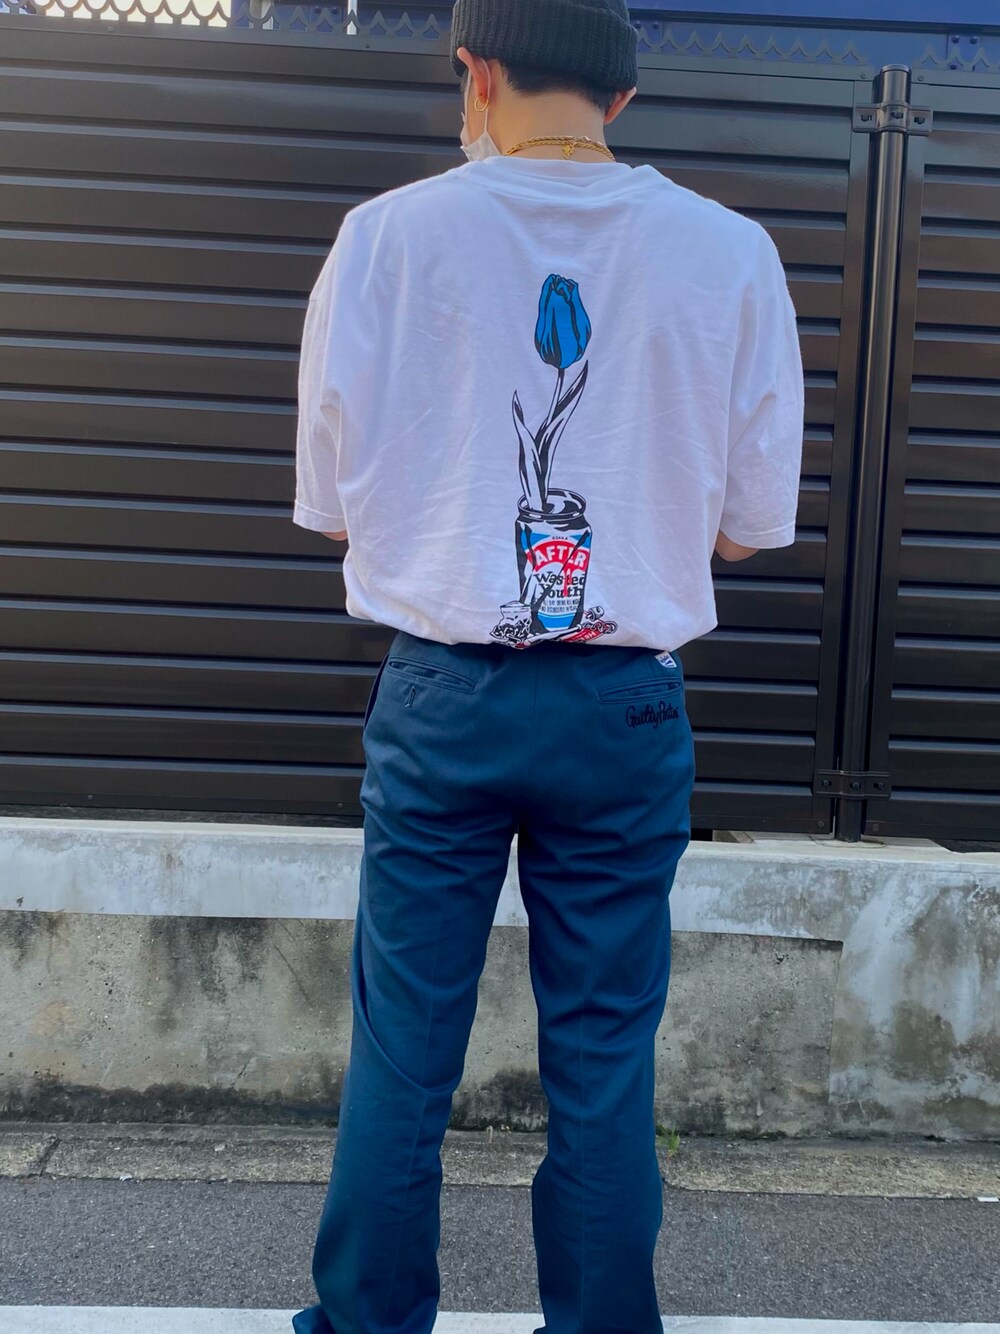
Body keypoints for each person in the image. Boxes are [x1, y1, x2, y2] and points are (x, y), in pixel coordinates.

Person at [290, 1, 804, 1330]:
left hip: (441, 695)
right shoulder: (732, 253)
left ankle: (366, 1321)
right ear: (622, 97)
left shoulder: (384, 238)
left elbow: (338, 508)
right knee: (602, 1054)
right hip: (622, 704)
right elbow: (748, 526)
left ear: (475, 70)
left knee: (405, 1045)